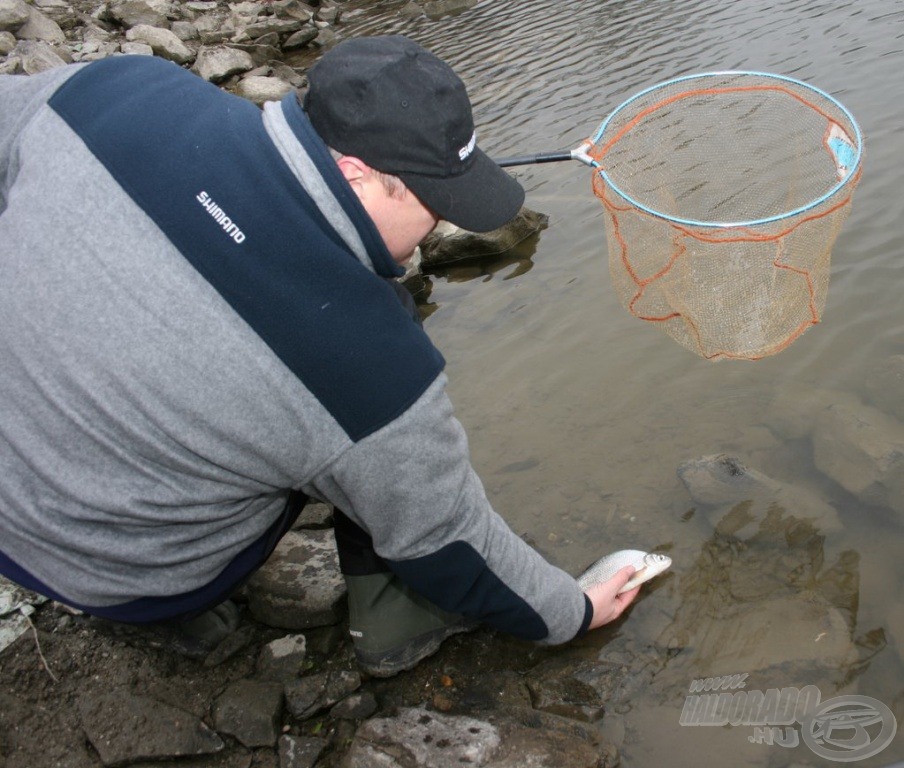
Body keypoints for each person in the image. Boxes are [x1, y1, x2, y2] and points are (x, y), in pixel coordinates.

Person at [0, 35, 638, 675]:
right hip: (112, 574)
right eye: (435, 206)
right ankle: (389, 623)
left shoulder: (124, 89)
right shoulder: (370, 365)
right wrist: (574, 611)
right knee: (366, 472)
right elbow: (446, 538)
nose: (442, 228)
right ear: (357, 172)